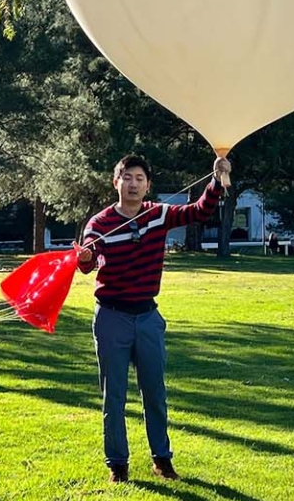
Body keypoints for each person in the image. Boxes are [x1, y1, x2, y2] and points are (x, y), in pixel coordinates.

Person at [76, 153, 231, 483]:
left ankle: (162, 459)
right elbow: (87, 261)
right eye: (127, 178)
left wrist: (216, 181)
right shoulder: (99, 223)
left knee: (155, 394)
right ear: (115, 182)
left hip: (147, 316)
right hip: (111, 317)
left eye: (140, 179)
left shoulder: (158, 215)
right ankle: (117, 465)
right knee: (114, 396)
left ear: (148, 185)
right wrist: (86, 257)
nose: (133, 184)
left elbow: (199, 211)